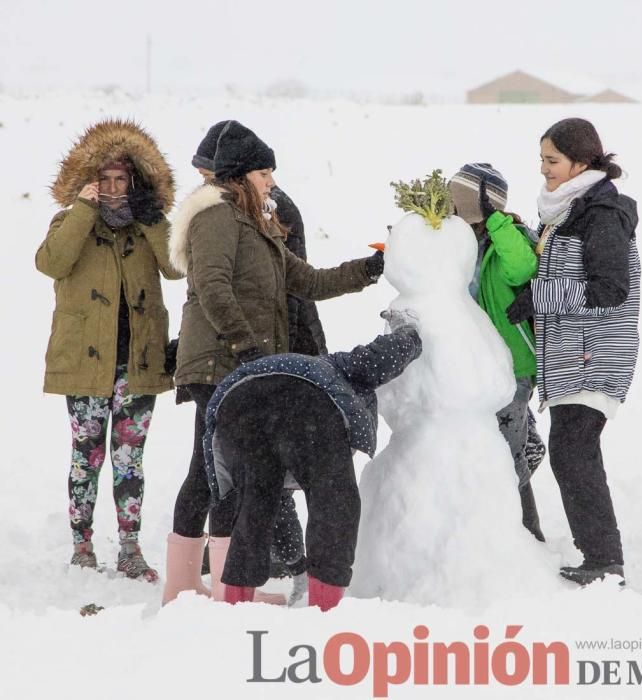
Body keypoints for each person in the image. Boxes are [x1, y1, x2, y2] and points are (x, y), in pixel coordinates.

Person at [162, 120, 385, 603]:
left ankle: (211, 583)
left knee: (219, 473)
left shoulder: (254, 222)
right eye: (266, 174)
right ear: (242, 175)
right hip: (218, 365)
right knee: (214, 473)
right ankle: (195, 584)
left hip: (238, 365)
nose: (272, 183)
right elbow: (213, 286)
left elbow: (307, 281)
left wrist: (369, 270)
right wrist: (246, 348)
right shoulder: (216, 218)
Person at [36, 119, 182, 580]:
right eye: (106, 179)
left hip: (137, 362)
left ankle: (130, 548)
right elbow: (51, 262)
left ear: (136, 182)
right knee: (87, 455)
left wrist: (153, 216)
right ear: (90, 181)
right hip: (84, 361)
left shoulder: (148, 227)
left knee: (129, 459)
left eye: (123, 179)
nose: (114, 187)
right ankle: (82, 546)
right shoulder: (70, 221)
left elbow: (177, 267)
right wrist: (82, 209)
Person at [205, 311, 422, 610]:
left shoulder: (307, 374)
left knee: (253, 509)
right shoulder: (337, 367)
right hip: (306, 401)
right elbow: (379, 358)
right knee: (334, 504)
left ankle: (234, 608)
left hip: (235, 403)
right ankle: (324, 612)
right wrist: (409, 333)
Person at [507, 118, 640, 585]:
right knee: (572, 451)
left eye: (552, 161)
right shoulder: (565, 210)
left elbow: (610, 288)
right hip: (570, 352)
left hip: (596, 353)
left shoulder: (602, 214)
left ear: (581, 163)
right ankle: (603, 557)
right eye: (542, 160)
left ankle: (605, 561)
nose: (543, 170)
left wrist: (538, 298)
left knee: (572, 449)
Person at [448, 163, 546, 542]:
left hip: (513, 366)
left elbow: (524, 269)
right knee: (512, 443)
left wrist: (496, 221)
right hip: (477, 365)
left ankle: (527, 535)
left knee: (509, 453)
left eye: (460, 201)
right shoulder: (461, 242)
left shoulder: (510, 237)